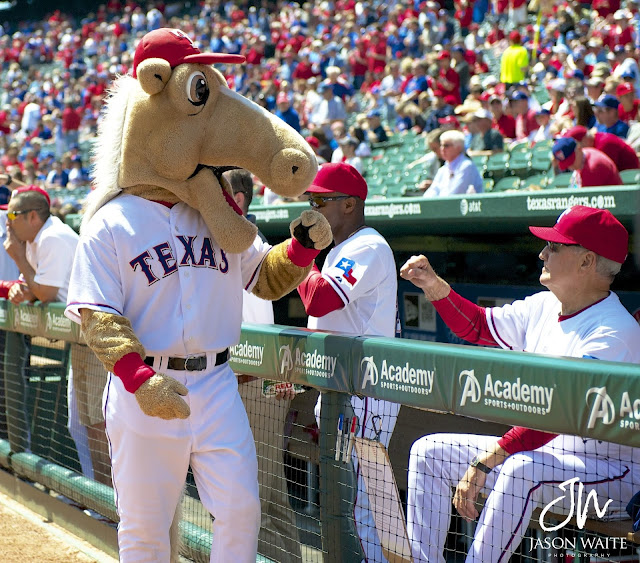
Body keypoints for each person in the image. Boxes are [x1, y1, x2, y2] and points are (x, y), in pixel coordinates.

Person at [400, 205, 640, 563]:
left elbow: (558, 413)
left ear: (587, 261)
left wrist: (486, 462)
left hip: (612, 472)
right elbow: (477, 326)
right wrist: (433, 286)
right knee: (429, 452)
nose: (543, 252)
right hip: (553, 456)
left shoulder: (613, 331)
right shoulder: (546, 305)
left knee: (520, 469)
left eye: (555, 247)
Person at [297, 162, 400, 562]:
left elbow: (320, 298)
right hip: (343, 387)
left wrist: (300, 255)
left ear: (350, 205)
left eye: (321, 200)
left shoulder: (367, 246)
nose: (313, 207)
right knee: (351, 506)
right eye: (311, 199)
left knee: (360, 510)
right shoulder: (342, 249)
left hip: (365, 391)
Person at [3, 186, 110, 483]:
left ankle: (112, 504)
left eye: (13, 214)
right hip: (81, 337)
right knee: (81, 425)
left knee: (98, 425)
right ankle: (99, 497)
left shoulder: (52, 237)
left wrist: (18, 258)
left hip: (99, 336)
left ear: (33, 216)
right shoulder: (38, 239)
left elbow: (45, 292)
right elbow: (34, 290)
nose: (8, 222)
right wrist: (24, 287)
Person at [226, 169, 303, 563]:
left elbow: (255, 332)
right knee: (250, 493)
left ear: (237, 200)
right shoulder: (230, 238)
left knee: (261, 493)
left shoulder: (245, 241)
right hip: (240, 384)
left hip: (255, 384)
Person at [424, 130, 483, 197]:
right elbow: (433, 190)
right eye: (441, 145)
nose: (442, 149)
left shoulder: (466, 166)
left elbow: (456, 194)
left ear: (458, 148)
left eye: (446, 145)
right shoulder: (443, 169)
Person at [562, 126, 640, 172]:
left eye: (575, 146)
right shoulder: (595, 143)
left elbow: (603, 173)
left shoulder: (604, 144)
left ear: (586, 140)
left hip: (631, 180)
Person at [552, 137, 622, 188]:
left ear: (579, 149)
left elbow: (585, 201)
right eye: (567, 164)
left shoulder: (592, 167)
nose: (570, 167)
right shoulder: (584, 157)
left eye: (571, 162)